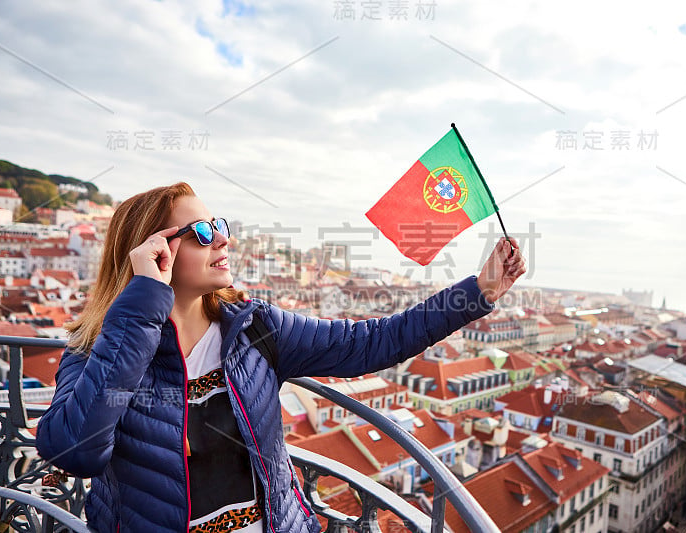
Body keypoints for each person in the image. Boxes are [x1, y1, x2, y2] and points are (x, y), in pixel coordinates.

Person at [36, 182, 527, 533]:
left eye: (220, 224)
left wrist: (478, 291)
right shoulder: (102, 348)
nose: (224, 238)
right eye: (203, 232)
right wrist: (142, 305)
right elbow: (73, 453)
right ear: (151, 253)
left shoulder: (255, 328)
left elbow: (374, 342)